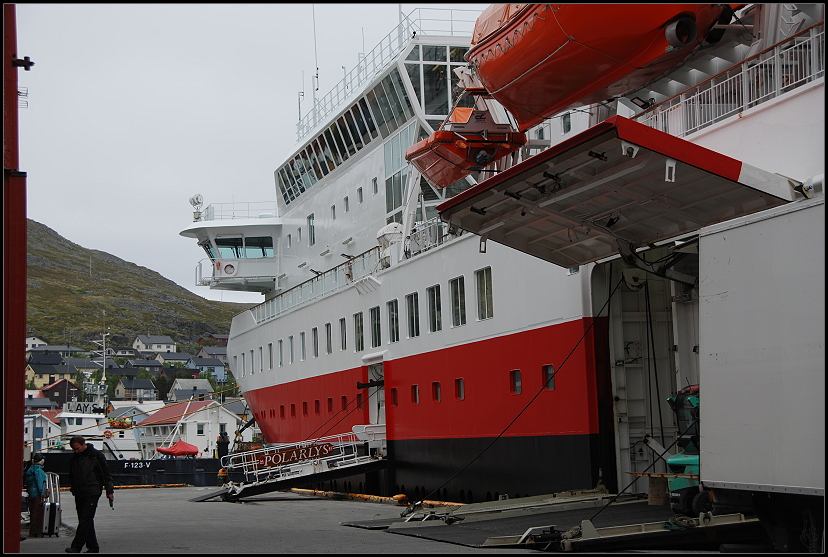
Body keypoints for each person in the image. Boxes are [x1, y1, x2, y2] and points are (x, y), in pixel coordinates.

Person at [65, 436, 114, 553]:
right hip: (79, 492)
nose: (76, 451)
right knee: (85, 519)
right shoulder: (75, 458)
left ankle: (77, 546)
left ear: (83, 444)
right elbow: (72, 475)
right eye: (74, 449)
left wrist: (109, 490)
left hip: (92, 491)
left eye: (78, 448)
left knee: (85, 519)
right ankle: (93, 547)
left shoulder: (96, 456)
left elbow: (106, 473)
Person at [24, 453, 48, 538]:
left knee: (33, 512)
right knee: (37, 513)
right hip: (37, 494)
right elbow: (40, 482)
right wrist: (43, 493)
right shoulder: (38, 470)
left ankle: (33, 530)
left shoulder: (30, 469)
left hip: (31, 493)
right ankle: (34, 531)